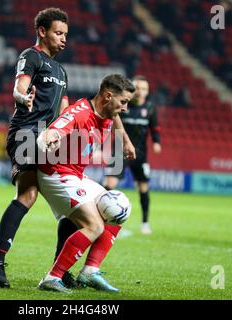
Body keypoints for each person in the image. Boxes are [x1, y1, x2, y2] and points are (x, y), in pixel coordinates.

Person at [0, 7, 136, 289]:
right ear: (42, 31)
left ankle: (61, 270)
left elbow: (64, 108)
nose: (64, 39)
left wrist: (66, 133)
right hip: (27, 135)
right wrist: (21, 97)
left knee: (72, 208)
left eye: (66, 34)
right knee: (27, 195)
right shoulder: (31, 56)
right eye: (58, 33)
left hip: (51, 139)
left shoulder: (61, 70)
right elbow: (20, 86)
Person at [36, 74, 136, 293]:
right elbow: (55, 127)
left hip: (76, 174)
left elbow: (115, 120)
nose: (125, 108)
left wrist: (126, 142)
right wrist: (49, 138)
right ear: (108, 96)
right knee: (94, 225)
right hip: (56, 173)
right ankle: (52, 278)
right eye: (123, 102)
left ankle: (90, 272)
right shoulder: (79, 113)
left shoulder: (108, 111)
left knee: (119, 210)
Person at [104, 76, 161, 235]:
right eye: (138, 88)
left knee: (143, 188)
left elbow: (154, 128)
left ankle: (145, 223)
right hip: (119, 150)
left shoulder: (150, 108)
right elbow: (111, 122)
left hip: (141, 154)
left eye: (144, 89)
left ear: (147, 92)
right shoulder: (122, 106)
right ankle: (100, 219)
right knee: (109, 185)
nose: (140, 92)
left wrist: (157, 142)